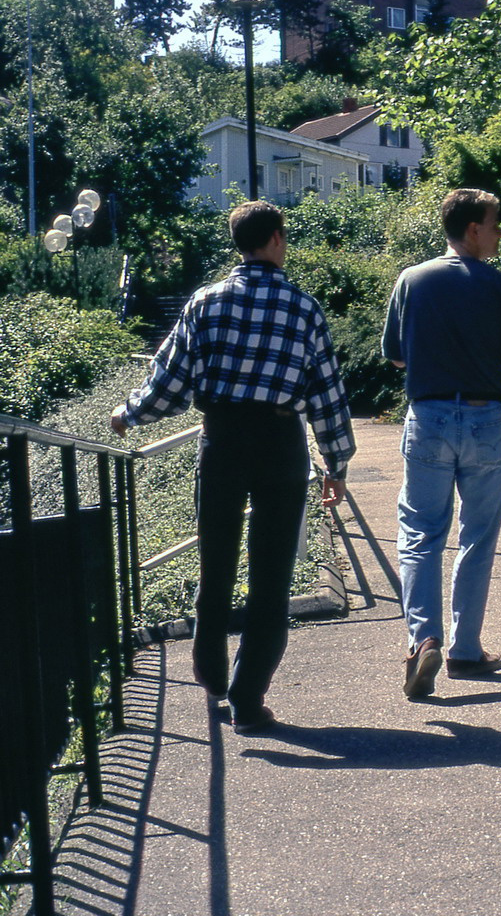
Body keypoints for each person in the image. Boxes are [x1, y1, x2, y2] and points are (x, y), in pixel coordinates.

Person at [110, 200, 355, 733]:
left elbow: (170, 382)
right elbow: (326, 396)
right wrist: (335, 464)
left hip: (221, 439)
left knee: (216, 563)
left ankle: (213, 676)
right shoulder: (302, 307)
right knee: (271, 576)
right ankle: (248, 698)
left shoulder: (205, 302)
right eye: (284, 237)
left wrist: (128, 413)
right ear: (273, 240)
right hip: (279, 442)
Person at [382, 188, 501, 698]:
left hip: (426, 417)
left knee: (420, 534)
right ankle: (465, 650)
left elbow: (397, 357)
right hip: (484, 417)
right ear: (472, 229)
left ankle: (423, 636)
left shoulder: (411, 280)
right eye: (494, 224)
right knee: (478, 536)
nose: (498, 232)